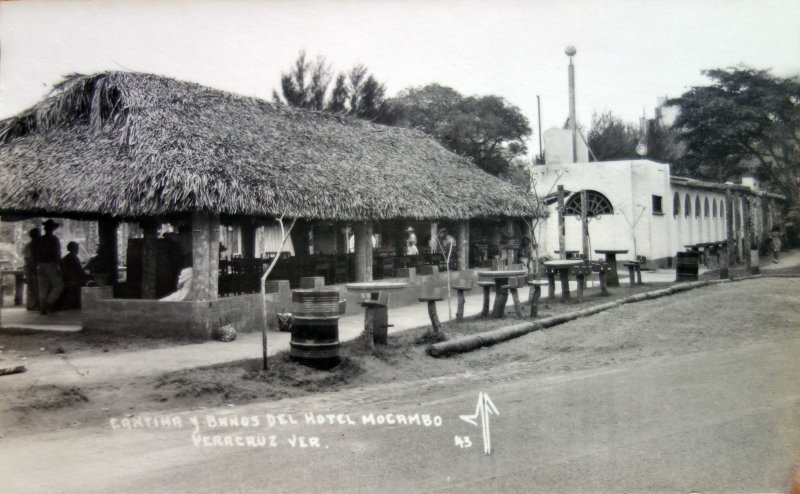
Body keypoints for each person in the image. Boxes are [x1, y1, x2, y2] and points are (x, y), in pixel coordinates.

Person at [36, 219, 64, 315]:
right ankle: (49, 303)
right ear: (52, 229)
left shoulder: (40, 240)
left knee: (42, 288)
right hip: (50, 264)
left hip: (40, 265)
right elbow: (57, 254)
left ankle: (42, 308)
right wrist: (59, 266)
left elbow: (36, 253)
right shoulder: (54, 239)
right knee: (59, 286)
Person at [60, 241, 90, 309]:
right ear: (74, 249)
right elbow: (80, 271)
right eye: (77, 248)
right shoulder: (74, 258)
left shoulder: (65, 258)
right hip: (74, 279)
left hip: (67, 278)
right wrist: (90, 276)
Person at [23, 228, 41, 311]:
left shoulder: (37, 246)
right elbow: (28, 258)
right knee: (31, 286)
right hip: (31, 267)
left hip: (36, 267)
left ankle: (37, 303)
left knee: (37, 286)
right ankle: (31, 305)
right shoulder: (29, 246)